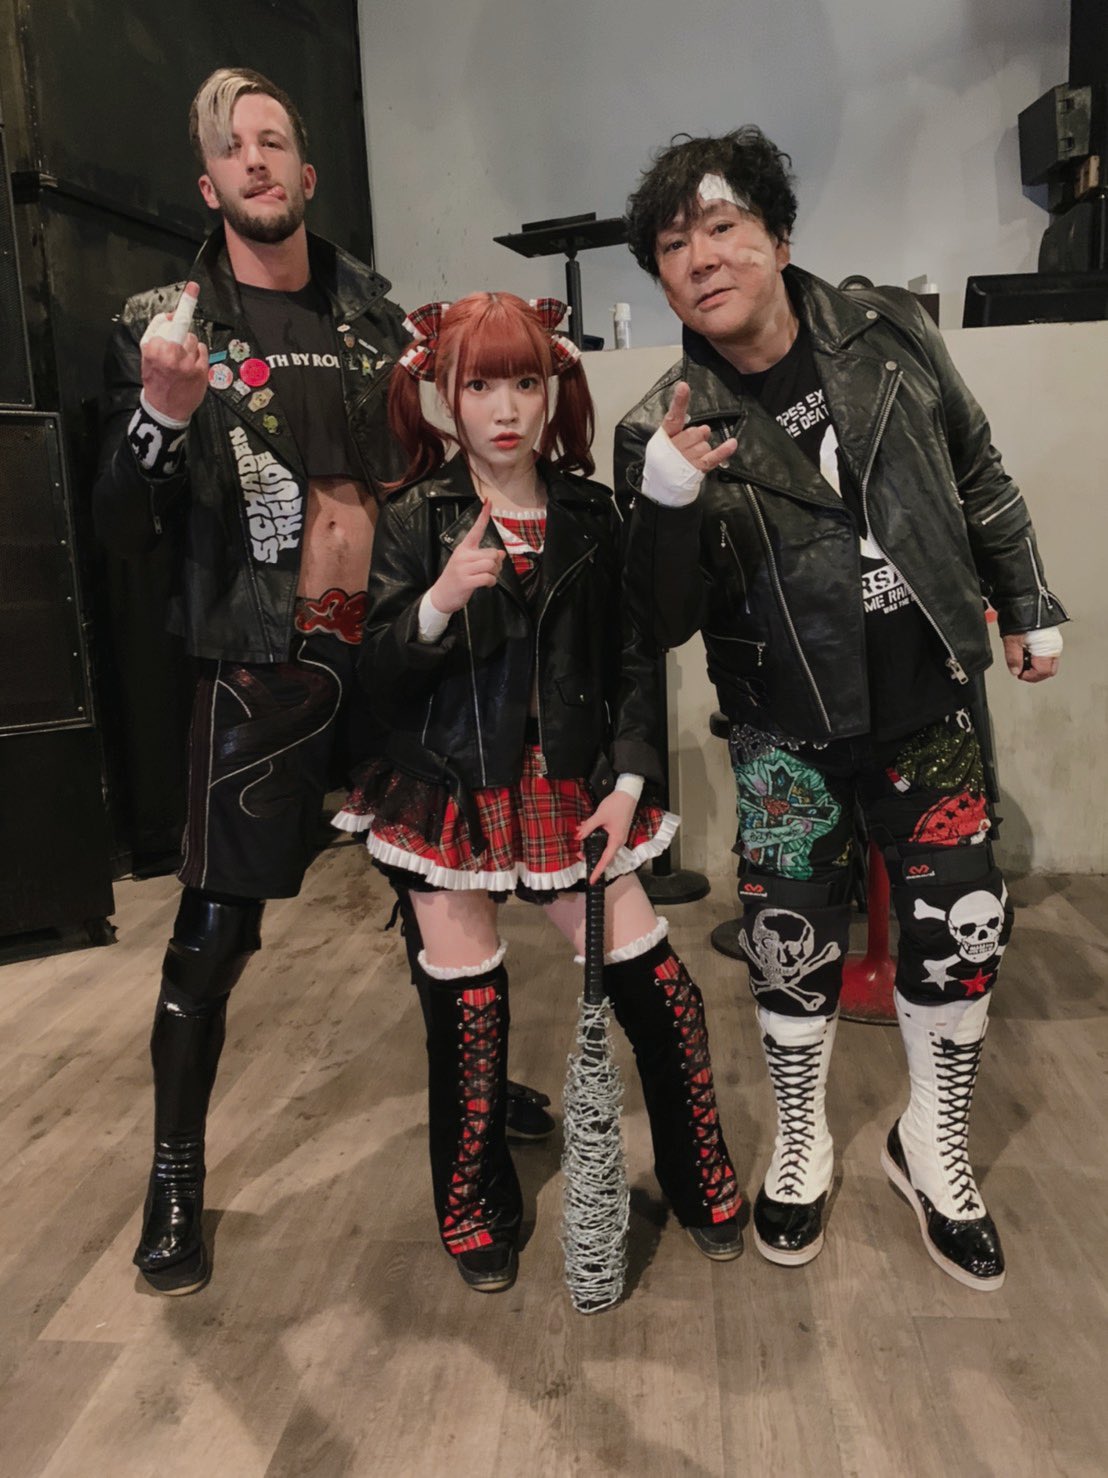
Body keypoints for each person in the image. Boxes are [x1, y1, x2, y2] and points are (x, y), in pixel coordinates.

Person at [93, 68, 547, 1297]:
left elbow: (438, 459)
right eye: (230, 148)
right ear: (209, 185)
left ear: (306, 171)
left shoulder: (377, 318)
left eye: (272, 140)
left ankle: (476, 1095)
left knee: (440, 889)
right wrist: (158, 413)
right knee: (213, 933)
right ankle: (174, 1174)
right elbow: (120, 527)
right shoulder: (167, 326)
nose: (254, 159)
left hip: (395, 649)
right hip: (261, 664)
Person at [616, 128, 1067, 1292]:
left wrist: (1025, 598)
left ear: (776, 236)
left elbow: (975, 465)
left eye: (722, 227)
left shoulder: (888, 329)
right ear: (659, 276)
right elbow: (657, 618)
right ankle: (802, 1137)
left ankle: (930, 1141)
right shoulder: (661, 426)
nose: (701, 257)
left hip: (928, 708)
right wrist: (666, 500)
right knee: (790, 947)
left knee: (962, 929)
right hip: (784, 733)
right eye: (673, 245)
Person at [357, 292, 743, 1293]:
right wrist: (437, 603)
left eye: (525, 382)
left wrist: (629, 781)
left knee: (663, 993)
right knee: (470, 1014)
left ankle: (695, 1172)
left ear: (551, 389)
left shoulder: (590, 513)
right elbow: (378, 680)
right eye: (480, 384)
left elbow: (633, 654)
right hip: (452, 788)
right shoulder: (413, 515)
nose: (505, 408)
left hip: (571, 786)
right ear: (443, 395)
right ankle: (471, 1196)